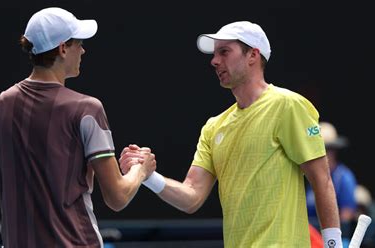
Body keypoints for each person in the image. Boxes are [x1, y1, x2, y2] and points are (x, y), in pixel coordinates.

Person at [119, 21, 342, 247]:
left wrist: (333, 244)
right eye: (215, 54)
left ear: (252, 55)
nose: (214, 61)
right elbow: (191, 197)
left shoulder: (289, 106)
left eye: (224, 51)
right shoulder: (214, 127)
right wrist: (147, 176)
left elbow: (321, 180)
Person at [0, 7, 156, 248]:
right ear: (63, 48)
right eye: (78, 43)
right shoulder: (87, 109)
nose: (83, 50)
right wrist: (141, 169)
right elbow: (117, 197)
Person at [306, 121, 357, 224]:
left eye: (327, 149)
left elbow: (346, 214)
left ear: (334, 151)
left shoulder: (344, 177)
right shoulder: (309, 175)